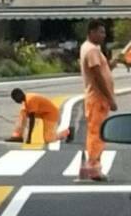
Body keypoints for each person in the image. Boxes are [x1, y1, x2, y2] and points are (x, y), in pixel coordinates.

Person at [79, 19, 117, 181]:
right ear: (91, 32)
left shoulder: (89, 48)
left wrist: (112, 64)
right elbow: (97, 75)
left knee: (96, 132)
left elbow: (101, 69)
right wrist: (110, 98)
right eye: (100, 32)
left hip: (95, 98)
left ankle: (94, 166)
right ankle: (94, 168)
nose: (104, 35)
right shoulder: (92, 50)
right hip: (97, 98)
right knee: (97, 133)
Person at [6, 88, 71, 144]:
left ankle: (67, 132)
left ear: (18, 96)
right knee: (23, 112)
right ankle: (18, 136)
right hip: (42, 112)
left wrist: (29, 137)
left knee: (48, 139)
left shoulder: (30, 100)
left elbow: (32, 120)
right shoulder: (26, 99)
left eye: (15, 99)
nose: (16, 101)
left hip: (51, 114)